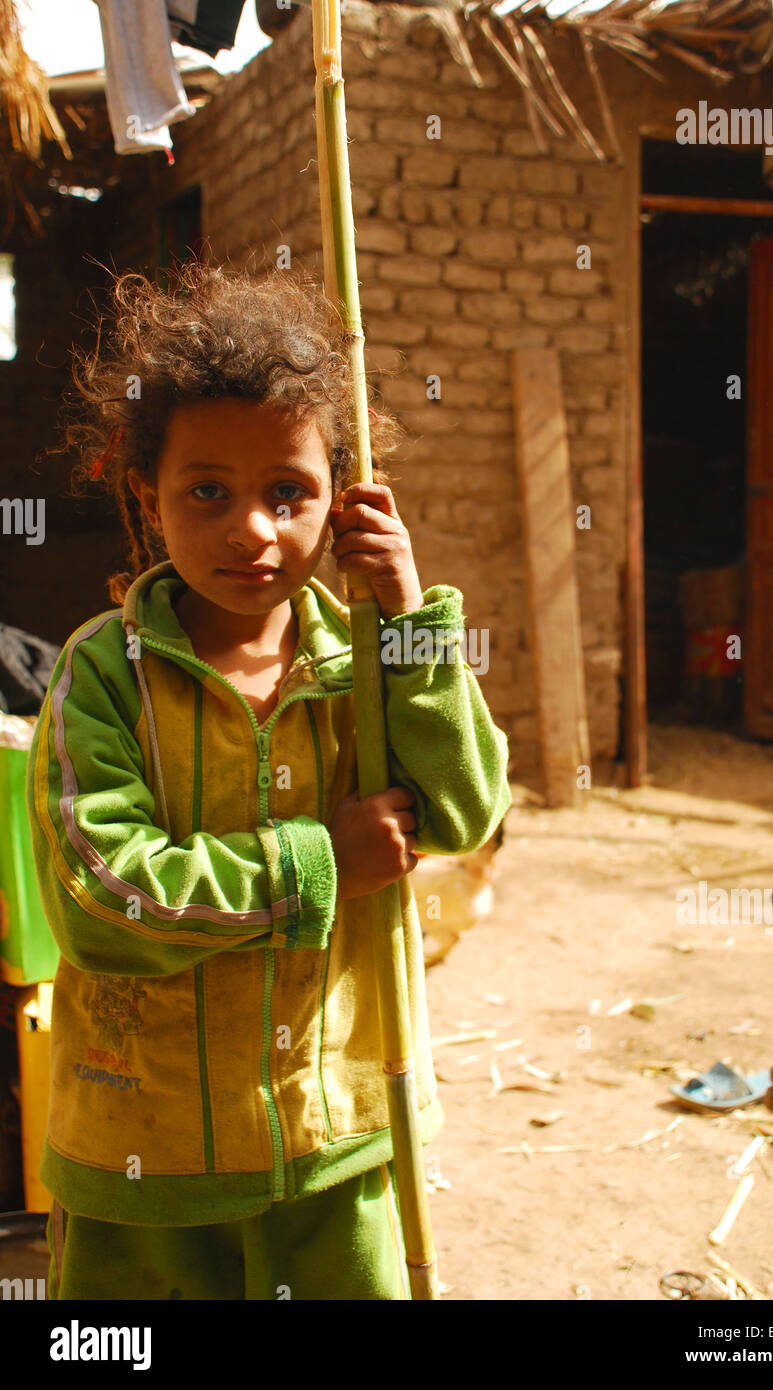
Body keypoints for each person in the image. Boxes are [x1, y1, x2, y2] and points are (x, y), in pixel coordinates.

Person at [26, 260, 512, 1300]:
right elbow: (105, 897)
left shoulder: (369, 661)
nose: (254, 529)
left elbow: (467, 810)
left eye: (288, 493)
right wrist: (317, 861)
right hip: (143, 1159)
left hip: (337, 1134)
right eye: (209, 491)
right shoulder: (102, 675)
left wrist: (413, 620)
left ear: (342, 499)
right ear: (147, 498)